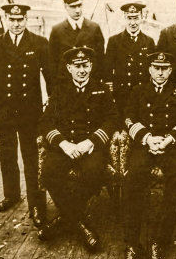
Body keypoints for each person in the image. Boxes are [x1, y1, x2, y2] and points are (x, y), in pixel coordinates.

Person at [37, 47, 118, 252]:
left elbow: (112, 119)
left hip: (89, 147)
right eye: (77, 66)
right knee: (48, 172)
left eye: (85, 65)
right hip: (66, 146)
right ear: (69, 68)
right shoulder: (60, 92)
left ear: (91, 66)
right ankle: (80, 224)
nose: (82, 70)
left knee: (94, 173)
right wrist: (64, 144)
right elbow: (46, 122)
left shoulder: (101, 90)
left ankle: (65, 218)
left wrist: (90, 142)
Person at [0, 4, 52, 227]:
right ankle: (12, 195)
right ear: (6, 19)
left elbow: (50, 78)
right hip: (4, 112)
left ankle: (36, 204)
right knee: (7, 155)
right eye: (12, 19)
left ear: (27, 19)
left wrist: (53, 109)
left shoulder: (39, 43)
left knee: (32, 159)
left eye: (20, 19)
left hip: (30, 113)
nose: (16, 23)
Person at [123, 52, 176, 259]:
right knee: (132, 178)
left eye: (164, 68)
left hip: (171, 146)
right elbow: (128, 118)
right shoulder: (138, 90)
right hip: (145, 145)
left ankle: (159, 241)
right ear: (149, 69)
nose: (160, 72)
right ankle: (132, 243)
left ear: (170, 70)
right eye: (156, 68)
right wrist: (147, 138)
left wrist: (168, 139)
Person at [104, 2, 155, 122]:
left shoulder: (149, 42)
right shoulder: (114, 41)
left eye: (136, 18)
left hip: (142, 95)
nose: (133, 23)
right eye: (129, 18)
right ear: (125, 18)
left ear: (141, 18)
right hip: (121, 95)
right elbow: (107, 71)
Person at [48, 0, 105, 86]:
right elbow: (53, 64)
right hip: (66, 86)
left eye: (79, 5)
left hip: (90, 85)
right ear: (65, 6)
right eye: (73, 6)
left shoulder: (94, 28)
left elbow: (100, 61)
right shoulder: (57, 31)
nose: (77, 10)